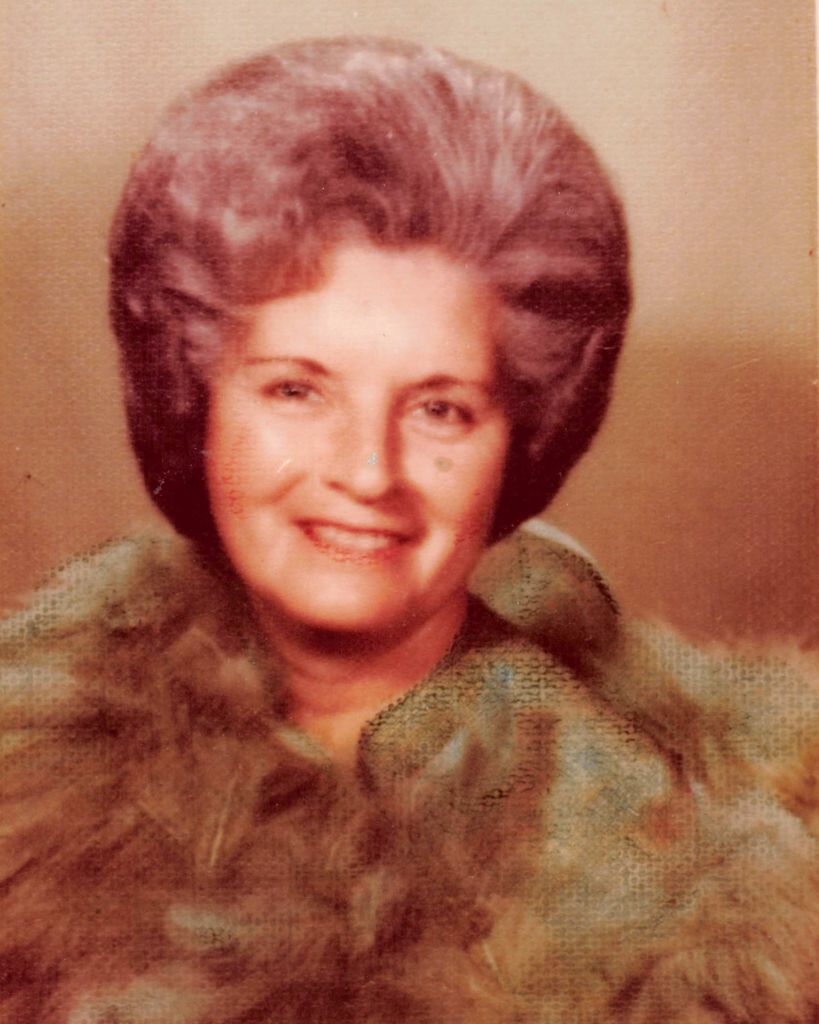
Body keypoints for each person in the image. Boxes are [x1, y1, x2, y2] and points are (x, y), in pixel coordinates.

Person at [1, 36, 818, 1024]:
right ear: (196, 392)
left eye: (440, 410)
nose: (367, 471)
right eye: (298, 390)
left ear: (521, 436)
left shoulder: (660, 874)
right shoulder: (27, 758)